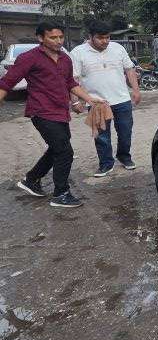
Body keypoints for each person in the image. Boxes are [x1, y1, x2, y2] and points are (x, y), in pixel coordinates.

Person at [0, 21, 101, 207]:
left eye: (61, 37)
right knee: (64, 152)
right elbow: (7, 82)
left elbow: (70, 83)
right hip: (41, 111)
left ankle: (31, 180)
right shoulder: (29, 58)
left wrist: (89, 99)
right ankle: (61, 194)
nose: (58, 41)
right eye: (53, 37)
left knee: (57, 148)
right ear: (41, 38)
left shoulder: (65, 59)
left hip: (60, 111)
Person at [70, 20, 141, 177]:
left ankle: (124, 156)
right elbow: (73, 79)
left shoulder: (118, 48)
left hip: (122, 100)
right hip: (97, 102)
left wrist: (136, 90)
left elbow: (129, 69)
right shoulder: (78, 52)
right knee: (102, 136)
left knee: (125, 132)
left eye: (107, 37)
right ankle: (106, 163)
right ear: (90, 37)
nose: (105, 41)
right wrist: (75, 100)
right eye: (101, 38)